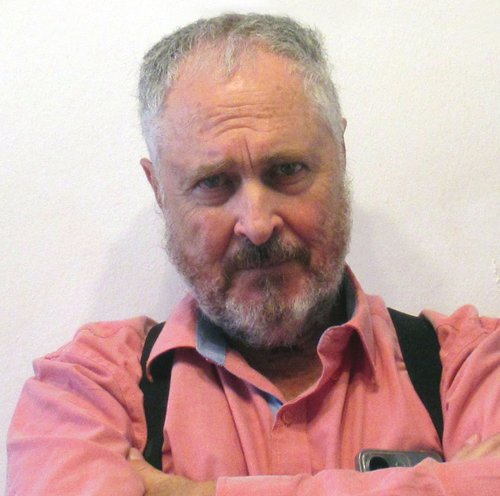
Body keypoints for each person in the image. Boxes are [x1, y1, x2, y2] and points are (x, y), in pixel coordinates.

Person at [7, 13, 500, 496]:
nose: (258, 226)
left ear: (340, 156)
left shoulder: (473, 366)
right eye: (213, 183)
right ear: (159, 190)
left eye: (287, 170)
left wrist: (192, 493)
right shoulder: (85, 391)